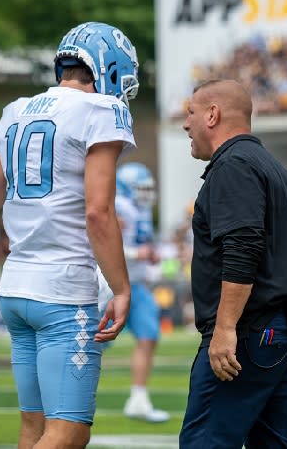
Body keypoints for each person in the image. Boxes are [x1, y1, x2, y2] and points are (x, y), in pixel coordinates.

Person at [0, 21, 138, 449]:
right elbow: (98, 213)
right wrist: (122, 289)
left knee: (34, 430)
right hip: (64, 291)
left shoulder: (17, 110)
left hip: (16, 290)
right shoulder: (102, 111)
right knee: (68, 432)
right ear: (107, 69)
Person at [179, 79, 287, 449]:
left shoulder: (234, 165)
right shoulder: (272, 167)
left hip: (253, 331)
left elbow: (243, 247)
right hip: (285, 329)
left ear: (212, 114)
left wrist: (225, 328)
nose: (185, 124)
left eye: (190, 113)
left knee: (205, 442)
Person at [115, 162, 170, 422]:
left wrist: (150, 254)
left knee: (149, 335)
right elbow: (102, 244)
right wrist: (139, 253)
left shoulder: (140, 209)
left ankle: (138, 399)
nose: (146, 193)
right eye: (140, 187)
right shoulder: (118, 206)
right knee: (91, 344)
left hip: (135, 284)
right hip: (110, 285)